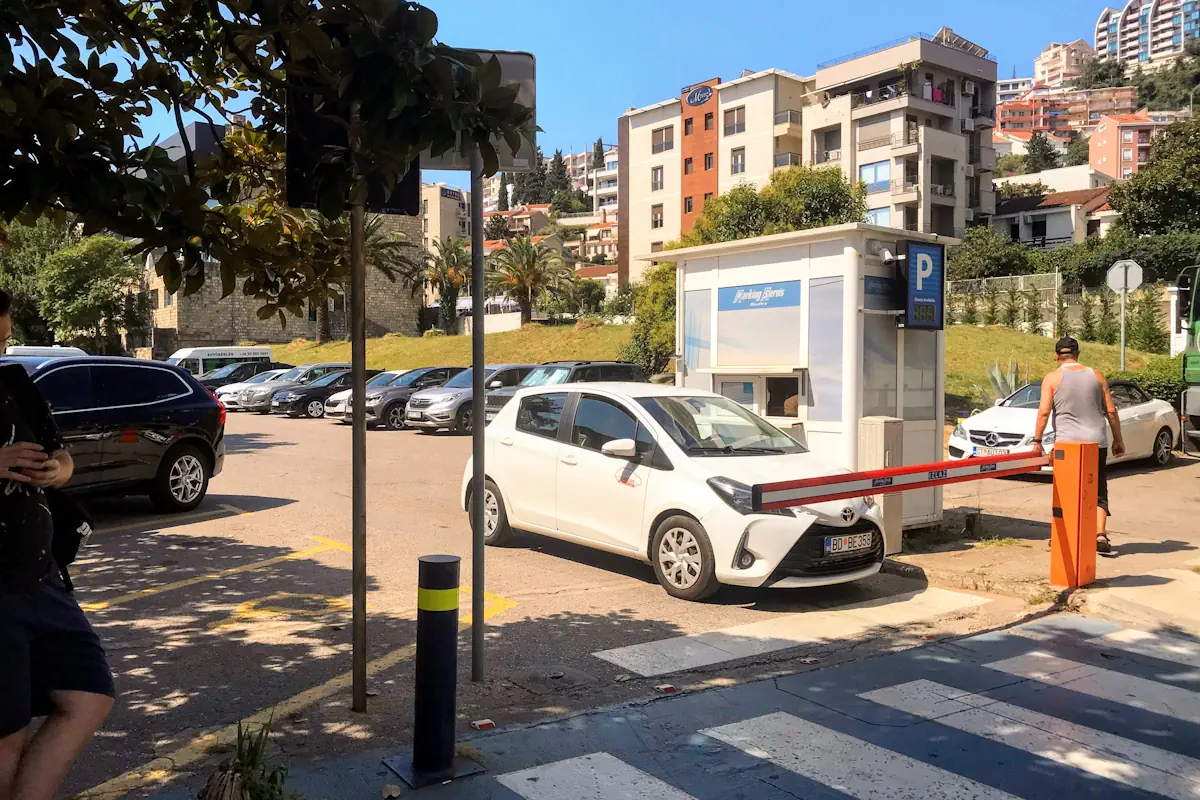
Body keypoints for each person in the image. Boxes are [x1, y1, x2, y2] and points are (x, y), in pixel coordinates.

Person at [0, 291, 114, 800]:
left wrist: (55, 471)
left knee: (89, 695)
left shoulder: (13, 383)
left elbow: (63, 458)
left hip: (43, 578)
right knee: (5, 737)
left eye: (2, 342)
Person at [1031, 336, 1125, 554]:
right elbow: (1111, 411)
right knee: (1098, 488)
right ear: (1077, 354)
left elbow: (1044, 412)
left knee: (1064, 490)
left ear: (1056, 356)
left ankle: (1061, 536)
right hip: (1096, 442)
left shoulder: (1052, 378)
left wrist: (1037, 441)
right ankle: (1100, 535)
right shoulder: (1097, 376)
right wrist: (1118, 440)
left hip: (1067, 443)